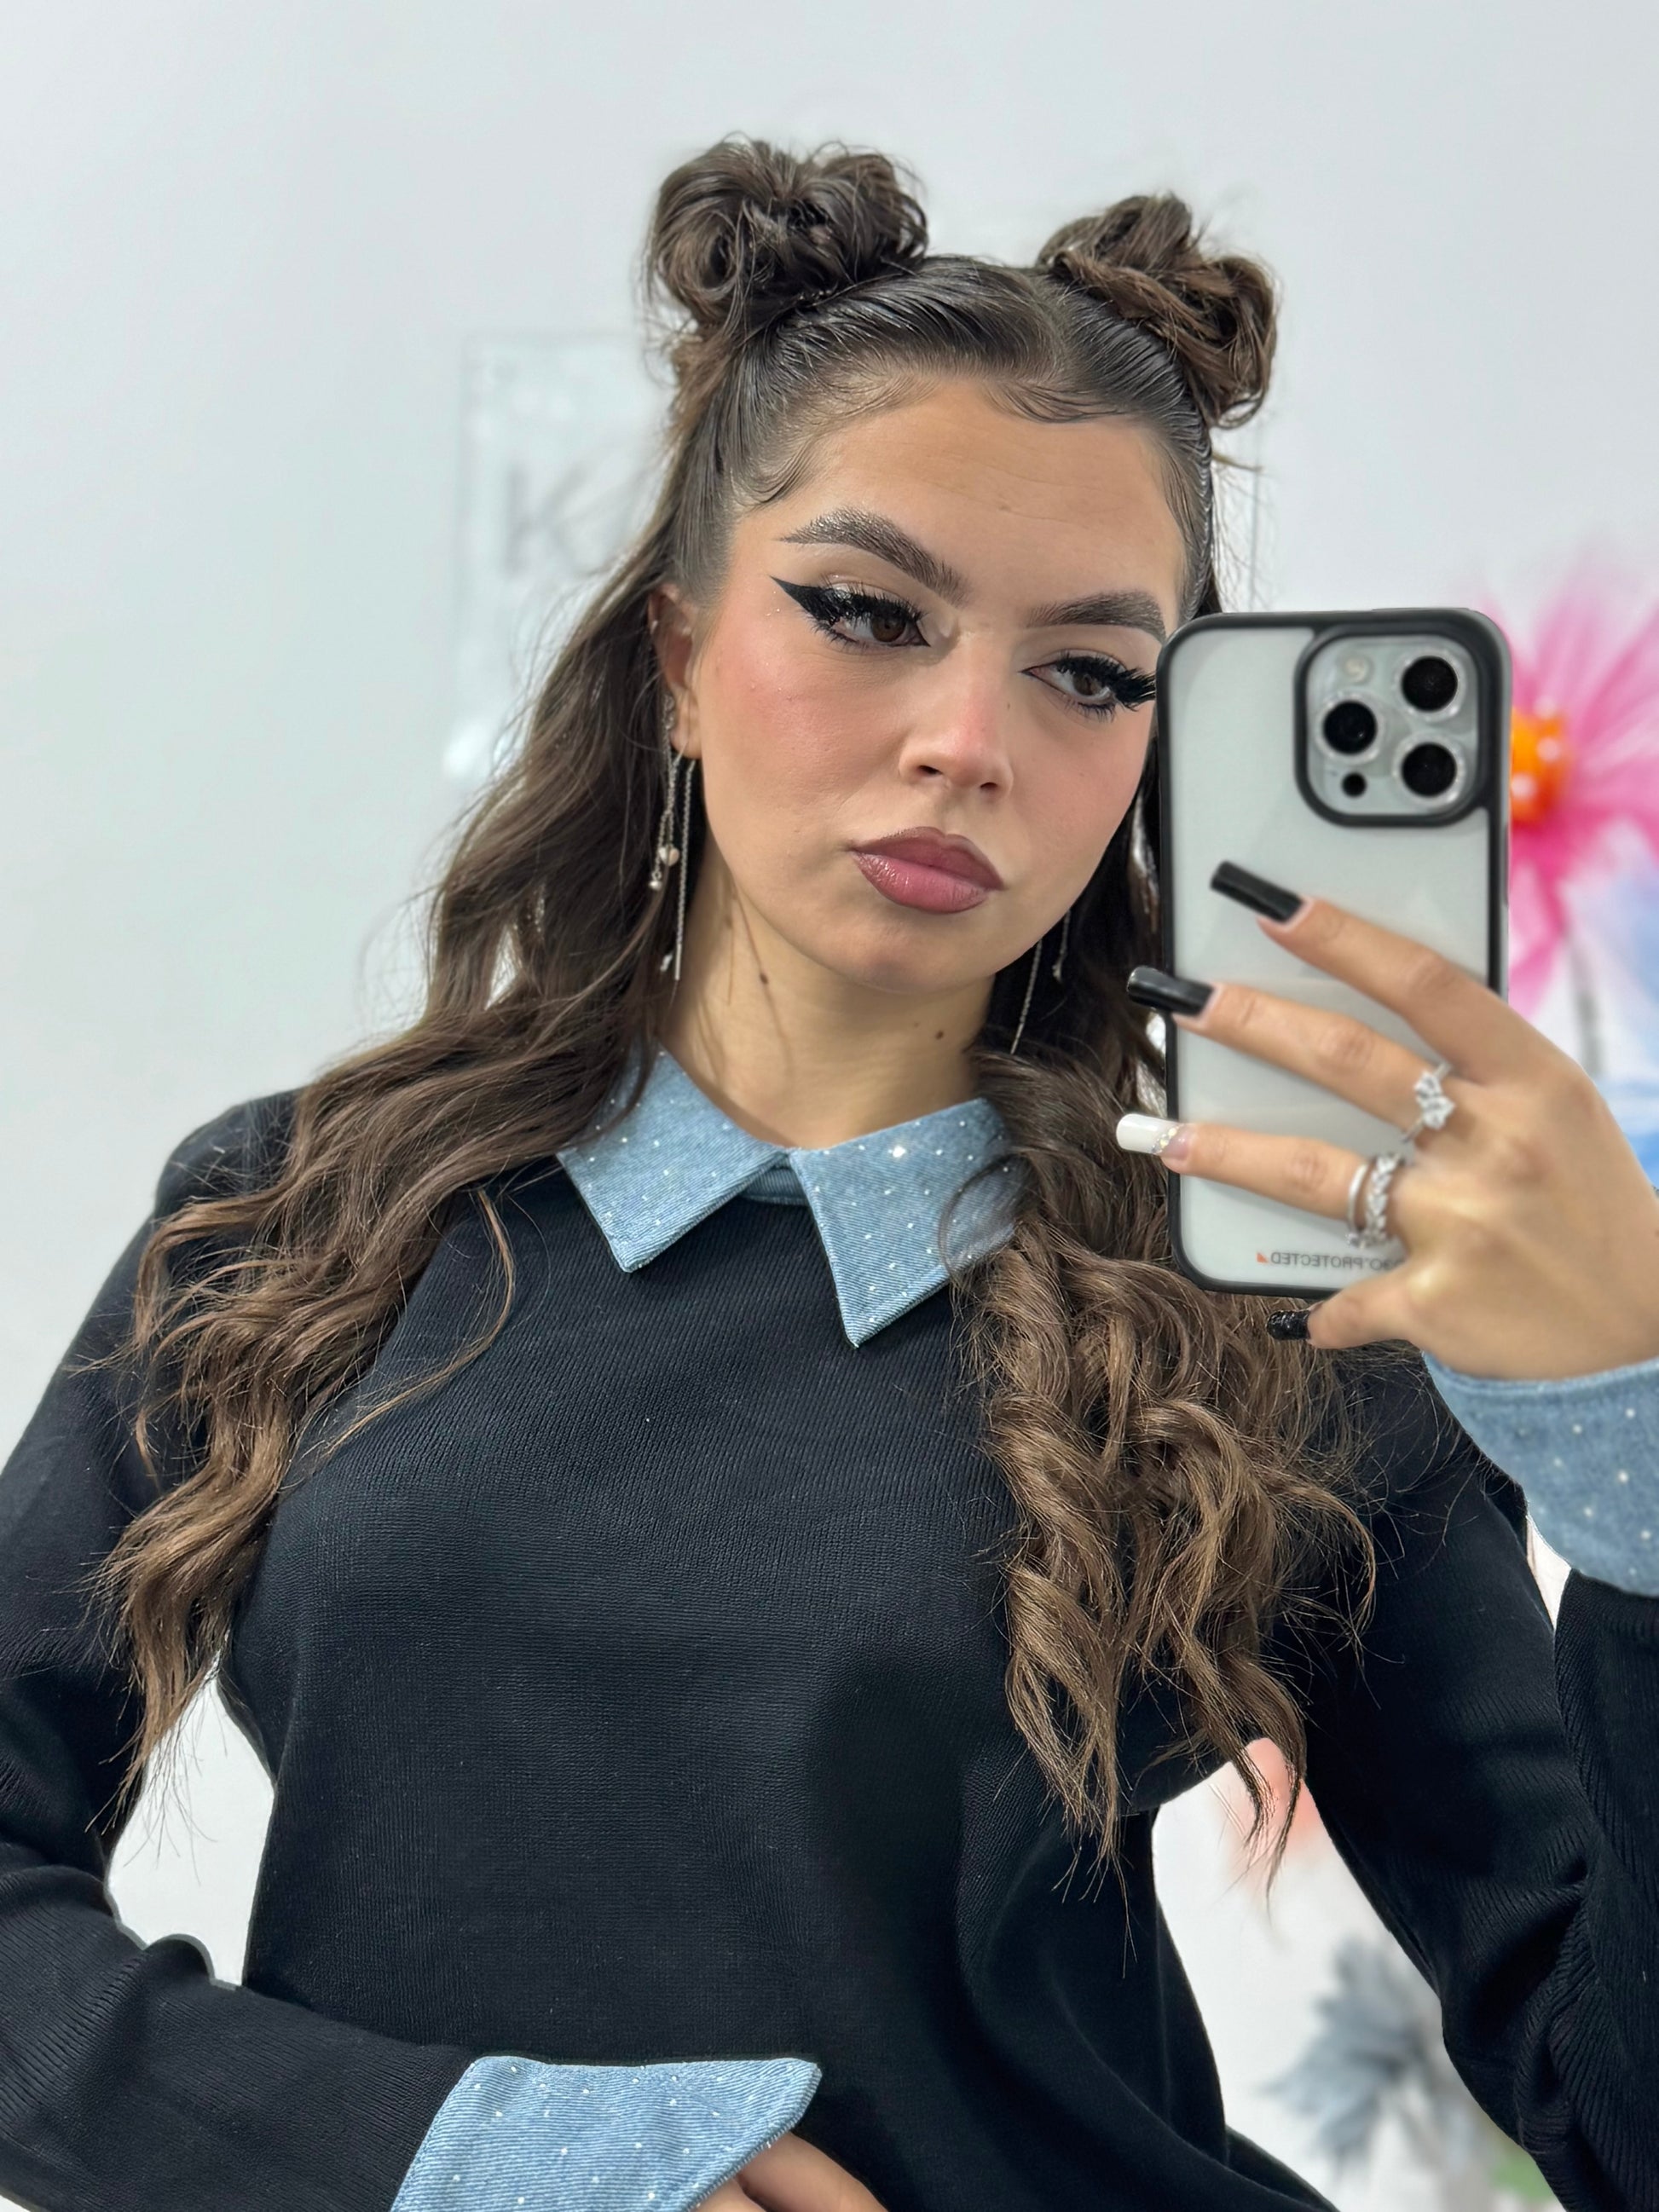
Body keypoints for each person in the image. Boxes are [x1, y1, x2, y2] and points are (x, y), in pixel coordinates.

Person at [3, 135, 1657, 2212]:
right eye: (868, 612)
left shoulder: (1275, 1321)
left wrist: (1635, 1460)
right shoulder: (294, 1219)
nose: (969, 738)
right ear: (678, 654)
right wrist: (477, 2159)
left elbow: (1617, 2118)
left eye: (1088, 671)